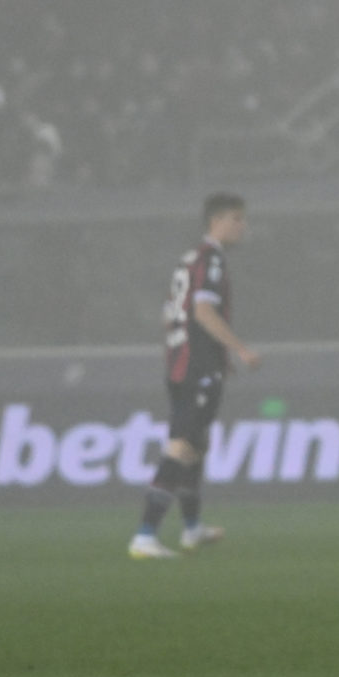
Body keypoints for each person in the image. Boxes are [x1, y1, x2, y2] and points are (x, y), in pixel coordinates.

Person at [128, 193, 261, 560]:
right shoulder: (212, 259)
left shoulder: (189, 260)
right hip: (197, 366)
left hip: (184, 362)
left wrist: (197, 352)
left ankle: (191, 529)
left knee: (196, 444)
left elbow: (169, 314)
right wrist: (238, 348)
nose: (242, 226)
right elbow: (203, 312)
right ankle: (145, 535)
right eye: (237, 219)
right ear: (216, 221)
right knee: (183, 445)